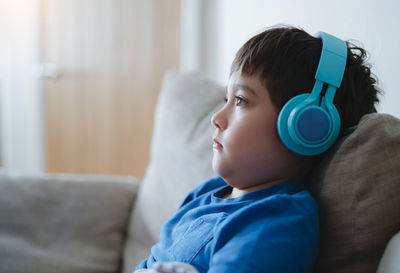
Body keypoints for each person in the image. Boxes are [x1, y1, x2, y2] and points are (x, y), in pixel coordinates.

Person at [134, 26, 380, 273]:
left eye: (240, 100)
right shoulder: (205, 192)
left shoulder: (276, 222)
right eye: (225, 100)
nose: (216, 118)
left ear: (306, 128)